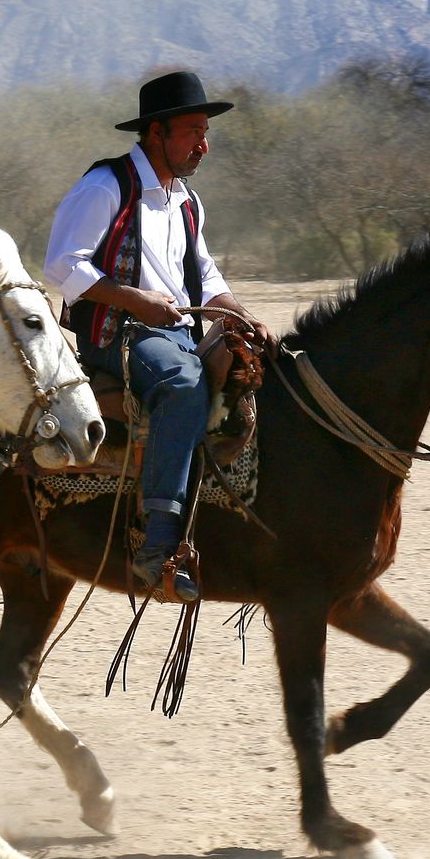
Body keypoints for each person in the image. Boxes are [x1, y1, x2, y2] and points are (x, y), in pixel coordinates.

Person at [43, 70, 272, 602]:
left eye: (204, 132)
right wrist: (133, 298)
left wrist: (238, 315)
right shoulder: (106, 186)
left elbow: (206, 278)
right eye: (193, 131)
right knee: (185, 383)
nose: (204, 145)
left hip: (179, 334)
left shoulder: (186, 201)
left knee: (258, 369)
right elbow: (60, 266)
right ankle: (159, 542)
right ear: (156, 133)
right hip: (119, 335)